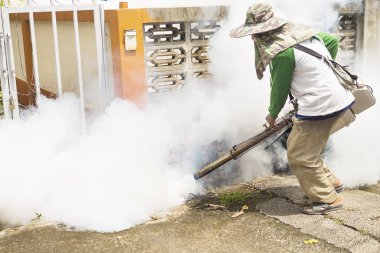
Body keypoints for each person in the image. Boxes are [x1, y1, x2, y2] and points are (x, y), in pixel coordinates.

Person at [230, 3, 355, 214]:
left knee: (299, 155)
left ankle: (328, 200)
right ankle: (331, 182)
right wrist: (319, 73)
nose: (254, 38)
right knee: (305, 146)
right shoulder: (301, 33)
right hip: (337, 96)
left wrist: (272, 115)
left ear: (264, 31)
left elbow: (280, 88)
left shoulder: (281, 53)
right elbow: (332, 41)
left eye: (255, 33)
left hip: (320, 104)